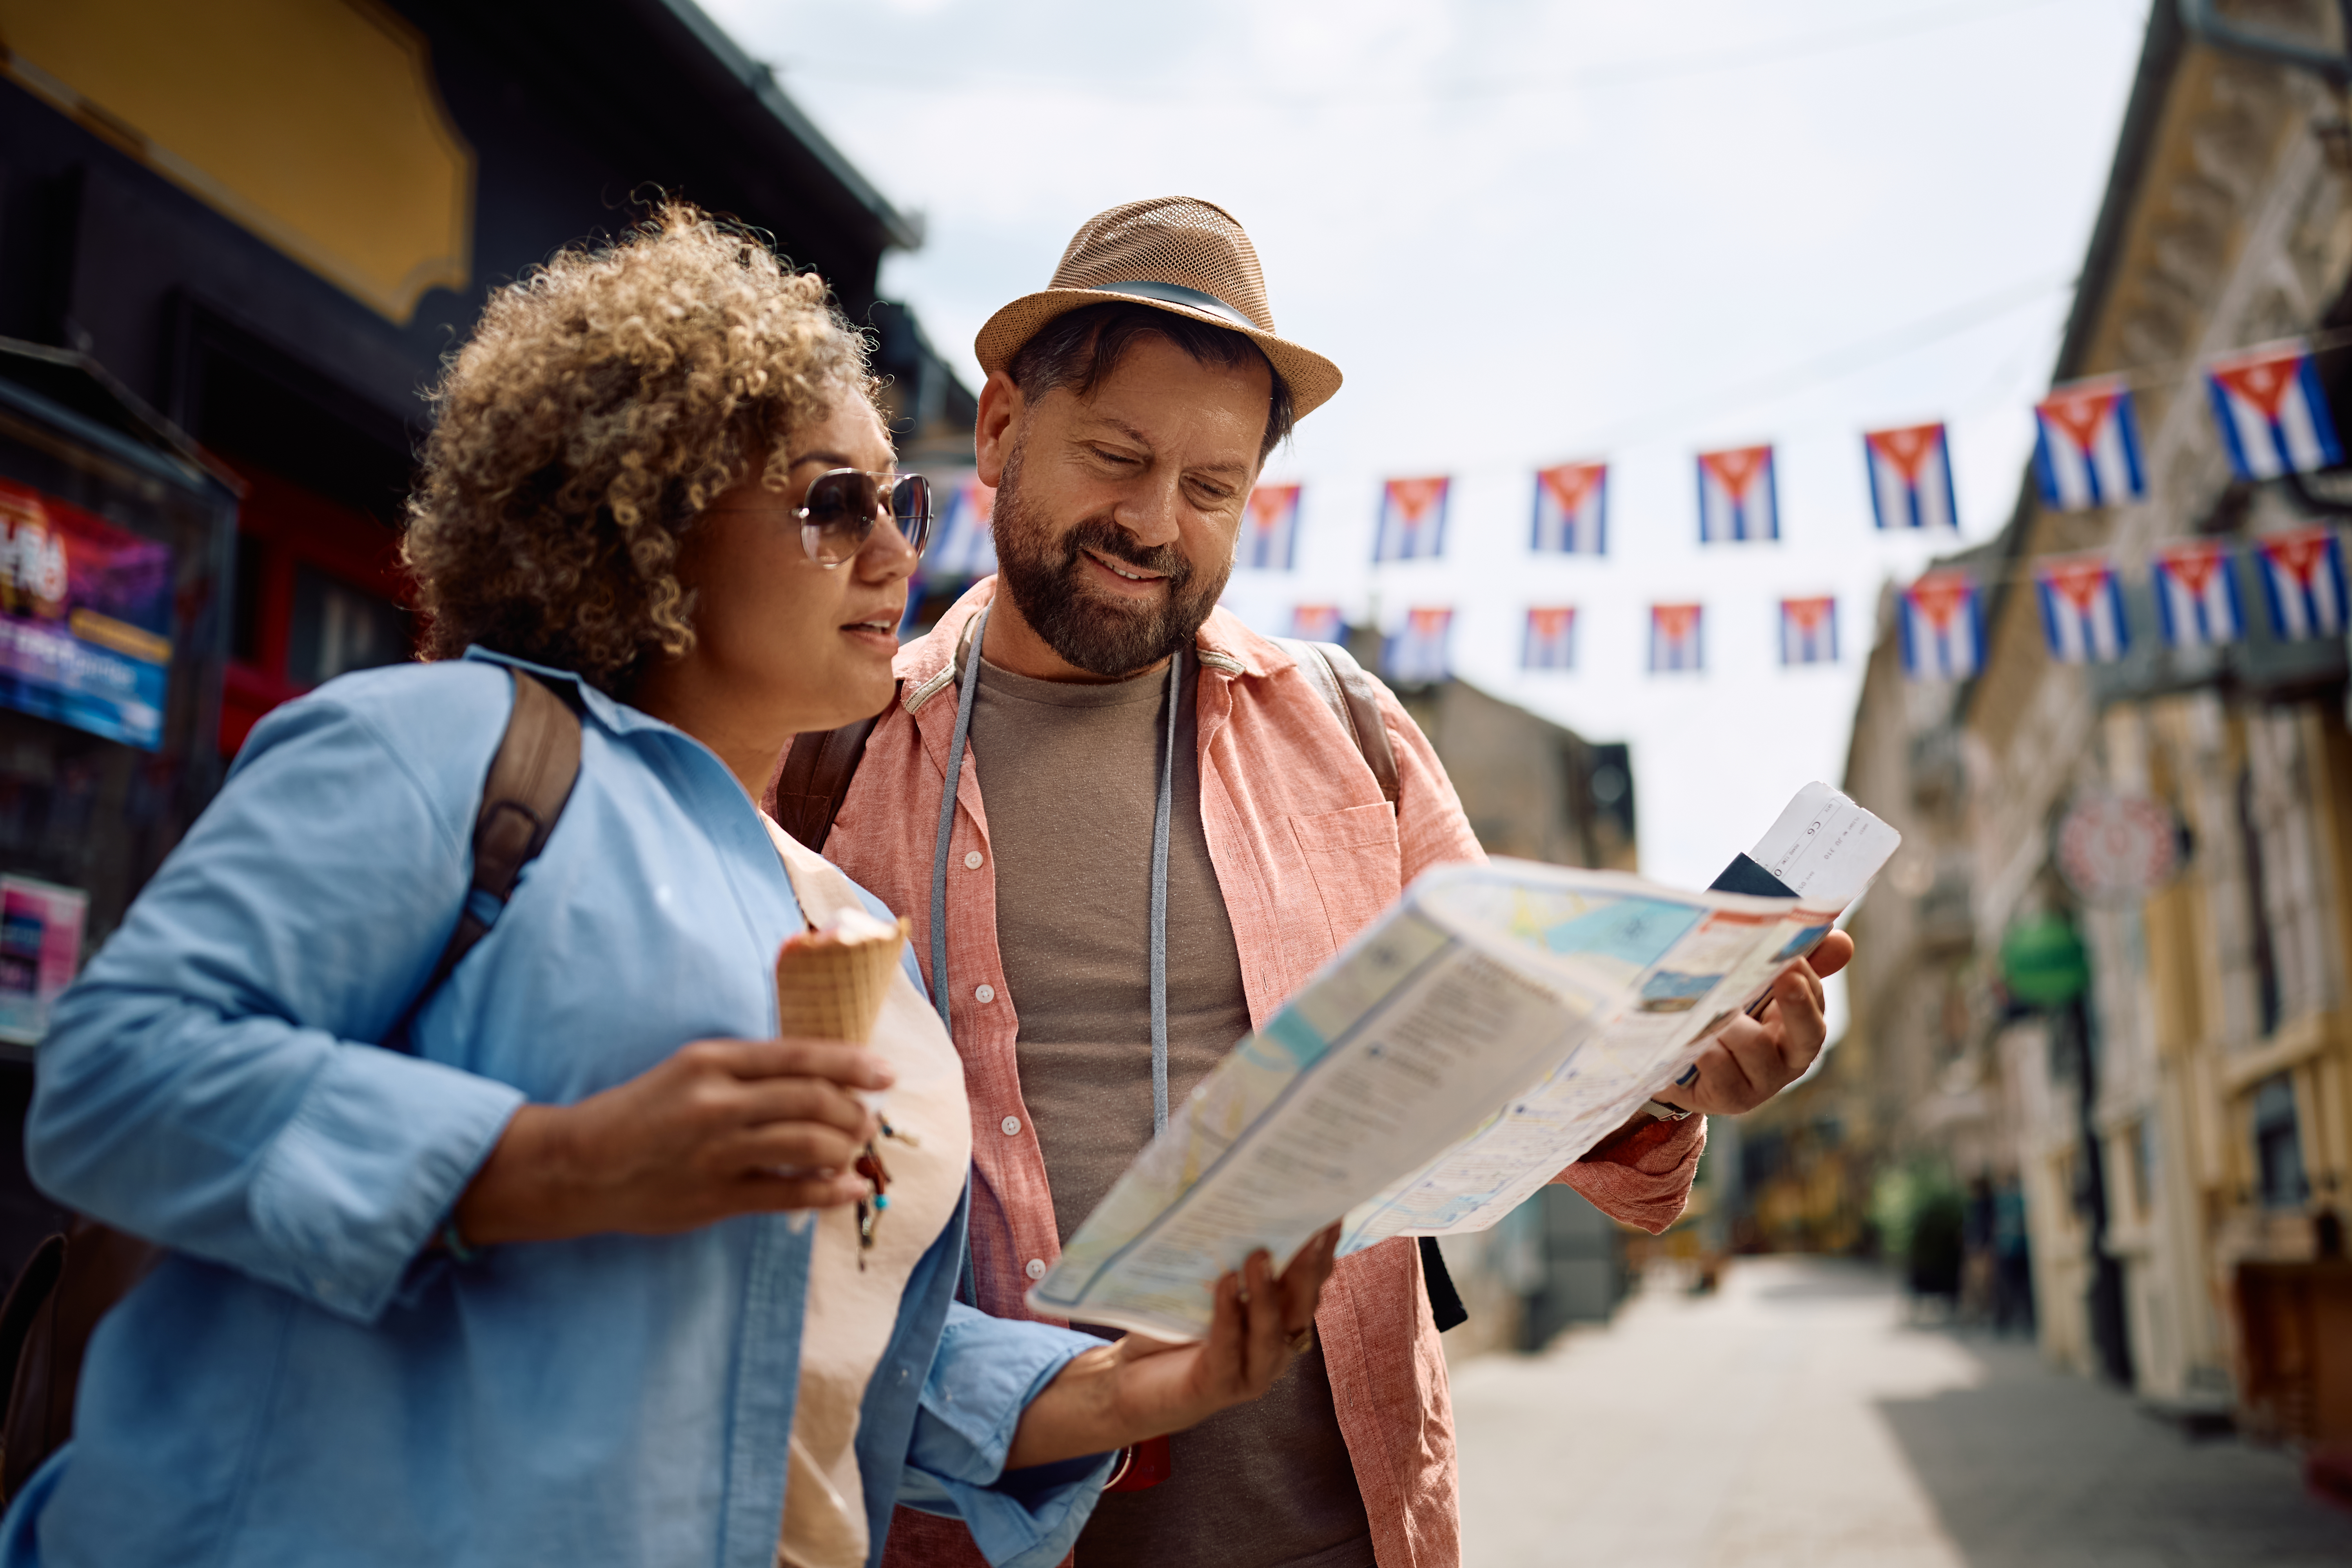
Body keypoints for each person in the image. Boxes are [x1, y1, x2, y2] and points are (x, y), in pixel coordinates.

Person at [0, 203, 1339, 1568]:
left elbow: (826, 1343)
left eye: (899, 503)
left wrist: (1148, 1386)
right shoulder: (444, 750)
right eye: (831, 505)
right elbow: (117, 1076)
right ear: (650, 517)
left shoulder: (845, 923)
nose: (894, 554)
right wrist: (562, 1162)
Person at [785, 196, 1857, 1568]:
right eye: (1119, 456)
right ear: (999, 430)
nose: (1157, 523)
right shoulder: (833, 745)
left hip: (1337, 1528)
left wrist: (1669, 1066)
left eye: (1214, 488)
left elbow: (1520, 1073)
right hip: (945, 1537)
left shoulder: (1348, 732)